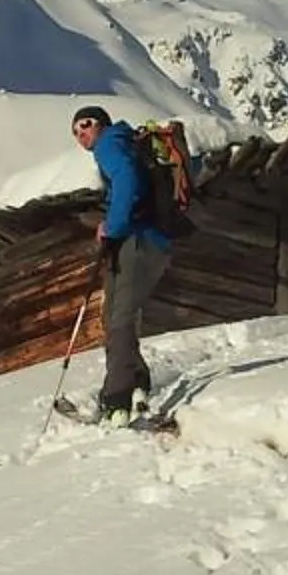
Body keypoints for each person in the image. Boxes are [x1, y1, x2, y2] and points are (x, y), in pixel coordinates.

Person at [73, 103, 174, 421]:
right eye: (75, 131)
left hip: (139, 240)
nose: (81, 134)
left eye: (85, 125)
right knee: (112, 313)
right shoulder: (121, 143)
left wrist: (112, 227)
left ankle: (116, 399)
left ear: (101, 124)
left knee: (120, 317)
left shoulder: (109, 144)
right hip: (138, 239)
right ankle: (136, 379)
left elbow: (128, 180)